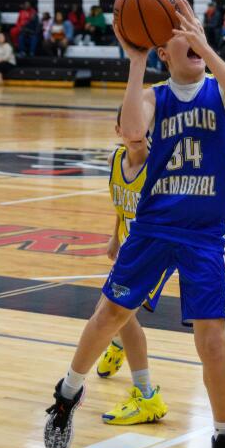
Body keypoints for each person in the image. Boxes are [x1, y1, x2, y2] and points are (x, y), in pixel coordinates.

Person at [44, 0, 225, 448]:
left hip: (205, 235)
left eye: (195, 28)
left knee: (213, 341)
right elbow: (132, 131)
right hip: (154, 226)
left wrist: (204, 42)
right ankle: (67, 394)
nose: (191, 34)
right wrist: (136, 60)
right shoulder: (155, 96)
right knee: (110, 315)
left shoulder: (220, 90)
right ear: (164, 50)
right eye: (180, 32)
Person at [96, 106, 169, 425]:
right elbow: (120, 204)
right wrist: (115, 236)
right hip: (128, 249)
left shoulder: (159, 167)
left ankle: (146, 395)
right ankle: (118, 343)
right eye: (130, 126)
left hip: (153, 252)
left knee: (117, 313)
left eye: (144, 126)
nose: (138, 132)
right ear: (118, 131)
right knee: (112, 314)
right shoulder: (115, 160)